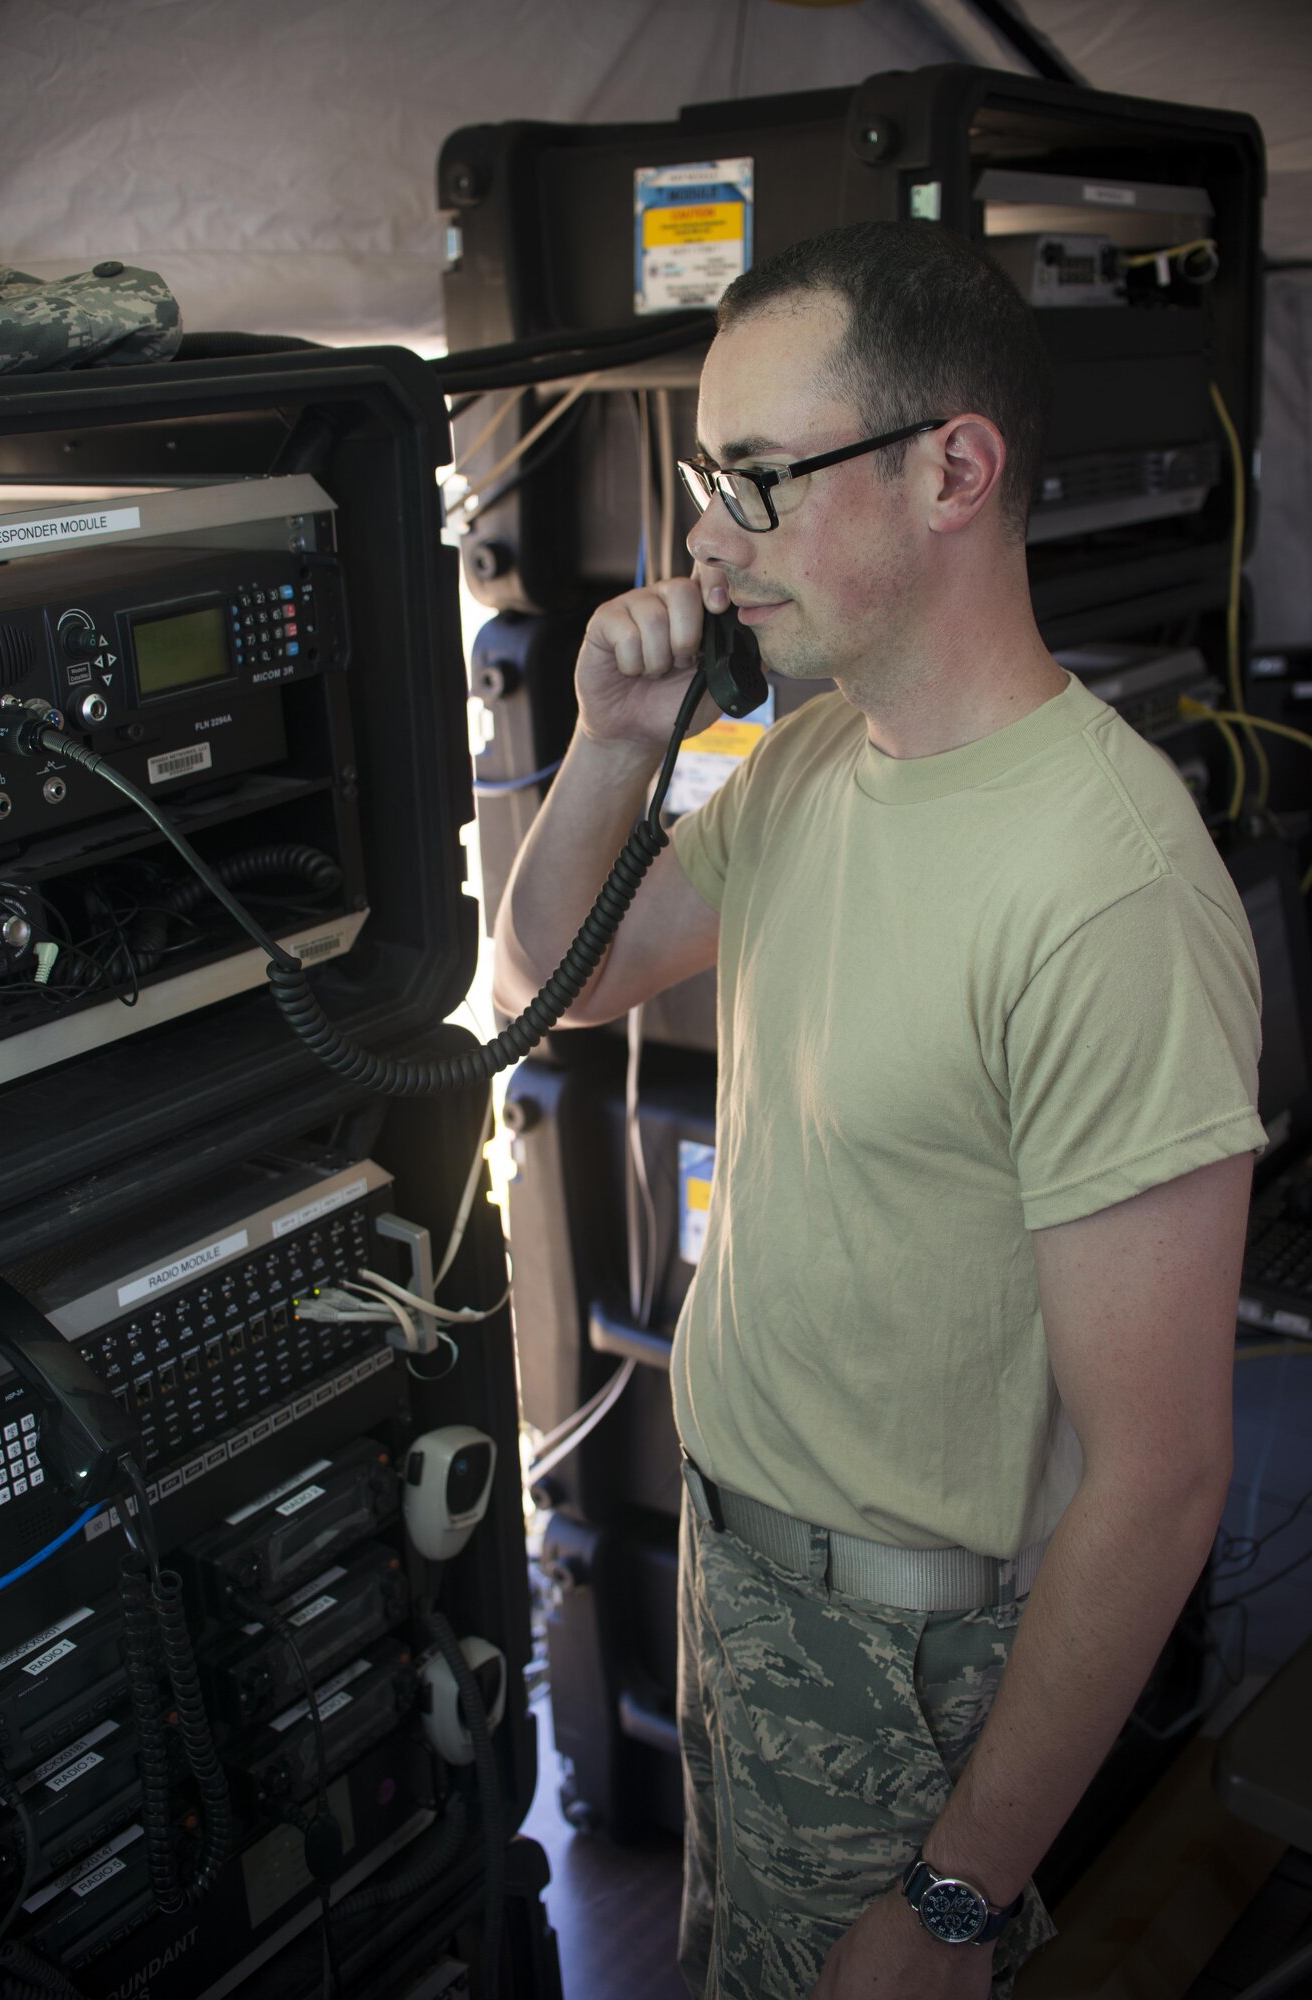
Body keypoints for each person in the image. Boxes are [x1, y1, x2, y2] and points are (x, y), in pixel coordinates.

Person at [492, 220, 1264, 2000]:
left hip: (899, 1663)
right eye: (707, 479)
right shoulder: (822, 757)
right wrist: (611, 740)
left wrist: (951, 1902)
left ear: (955, 471)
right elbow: (560, 980)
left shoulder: (1109, 885)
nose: (704, 539)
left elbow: (1159, 1481)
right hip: (743, 1578)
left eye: (757, 480)